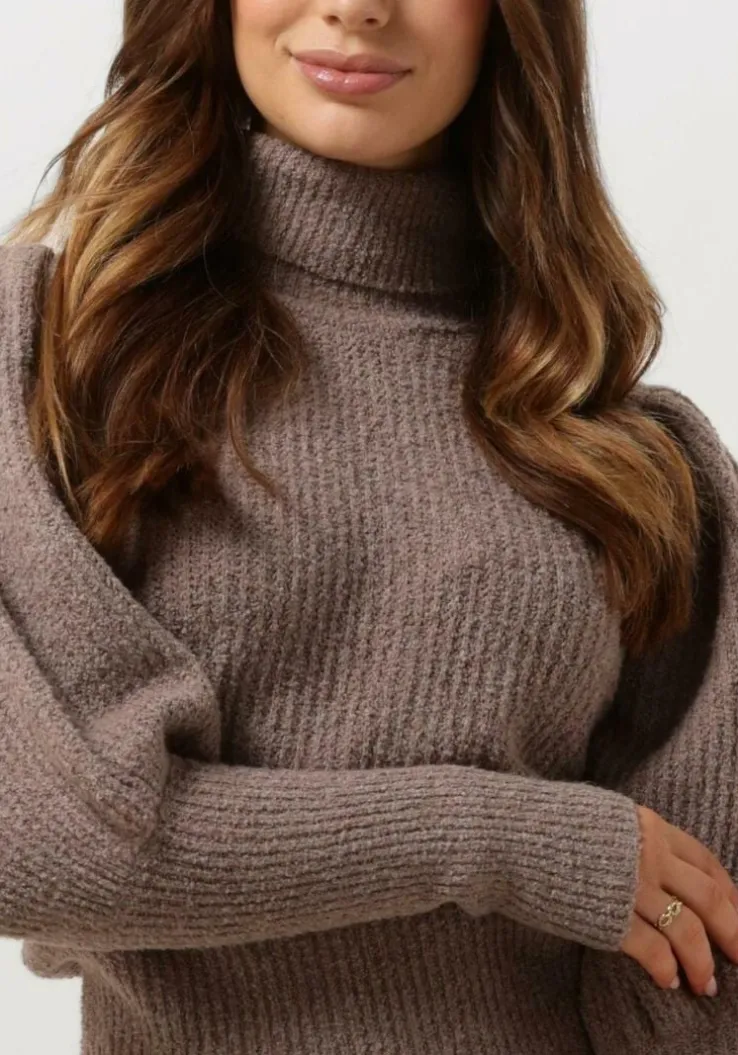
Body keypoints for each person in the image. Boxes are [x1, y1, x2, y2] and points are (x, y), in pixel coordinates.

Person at [0, 0, 737, 1053]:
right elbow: (44, 843)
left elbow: (697, 957)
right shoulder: (50, 355)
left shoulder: (631, 456)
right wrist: (498, 837)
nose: (357, 7)